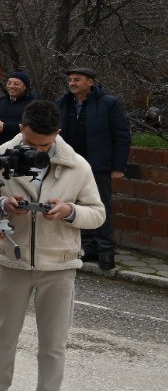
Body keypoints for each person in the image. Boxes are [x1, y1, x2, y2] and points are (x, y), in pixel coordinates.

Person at [0, 100, 105, 391]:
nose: (37, 150)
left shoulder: (78, 166)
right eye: (30, 143)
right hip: (12, 259)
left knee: (53, 342)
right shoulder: (0, 157)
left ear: (58, 133)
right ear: (21, 129)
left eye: (44, 145)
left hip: (59, 263)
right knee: (4, 335)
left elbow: (98, 213)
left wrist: (70, 211)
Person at [56, 67, 130, 272]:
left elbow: (122, 136)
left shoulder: (108, 103)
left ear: (90, 82)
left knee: (100, 206)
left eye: (77, 80)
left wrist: (118, 167)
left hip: (98, 165)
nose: (72, 83)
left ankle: (106, 251)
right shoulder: (63, 103)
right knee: (77, 205)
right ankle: (88, 247)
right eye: (70, 79)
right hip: (71, 165)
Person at [0, 71, 35, 137]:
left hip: (21, 145)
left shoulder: (34, 105)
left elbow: (35, 126)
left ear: (25, 87)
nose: (11, 86)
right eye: (9, 83)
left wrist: (6, 127)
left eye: (16, 84)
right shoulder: (0, 102)